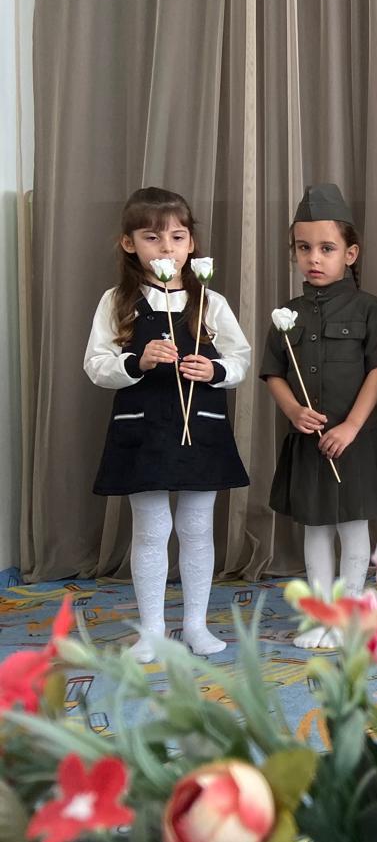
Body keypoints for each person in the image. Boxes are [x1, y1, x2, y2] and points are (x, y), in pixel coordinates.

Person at [85, 187, 251, 661]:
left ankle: (196, 624)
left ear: (191, 244)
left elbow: (240, 359)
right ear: (129, 244)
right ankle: (153, 630)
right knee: (151, 529)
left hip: (201, 427)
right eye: (152, 237)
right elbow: (96, 364)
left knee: (197, 526)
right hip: (142, 431)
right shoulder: (116, 301)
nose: (167, 248)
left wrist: (214, 370)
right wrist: (136, 362)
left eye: (177, 238)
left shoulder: (210, 301)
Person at [260, 184, 377, 645]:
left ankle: (348, 615)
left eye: (327, 248)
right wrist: (292, 410)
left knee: (354, 528)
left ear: (350, 253)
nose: (314, 258)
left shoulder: (369, 308)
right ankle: (321, 616)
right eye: (304, 248)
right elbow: (273, 372)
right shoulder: (287, 313)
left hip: (354, 440)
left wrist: (352, 426)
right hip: (309, 443)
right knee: (316, 529)